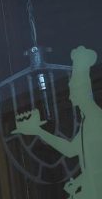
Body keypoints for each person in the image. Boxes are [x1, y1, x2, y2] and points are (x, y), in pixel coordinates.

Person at [12, 46, 102, 198]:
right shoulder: (89, 120)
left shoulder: (96, 120)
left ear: (82, 91)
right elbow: (71, 150)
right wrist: (38, 131)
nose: (69, 97)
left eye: (72, 90)